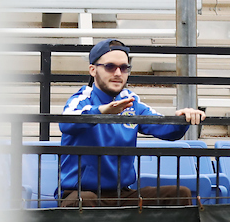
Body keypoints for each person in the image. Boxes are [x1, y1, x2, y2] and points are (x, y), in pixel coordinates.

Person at [57, 38, 205, 207]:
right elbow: (66, 123)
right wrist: (102, 112)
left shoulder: (131, 102)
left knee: (179, 194)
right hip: (80, 192)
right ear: (92, 70)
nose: (118, 73)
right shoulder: (82, 99)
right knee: (83, 200)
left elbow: (166, 130)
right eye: (110, 67)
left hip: (122, 193)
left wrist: (183, 118)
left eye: (124, 67)